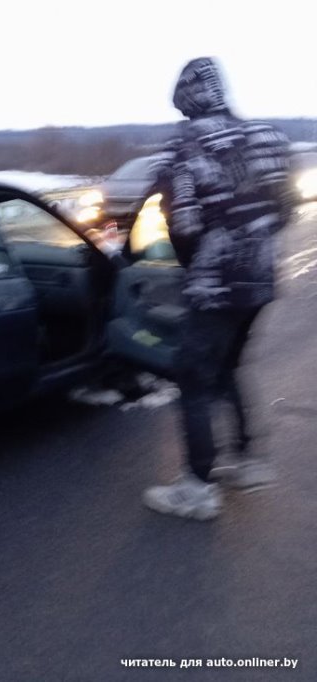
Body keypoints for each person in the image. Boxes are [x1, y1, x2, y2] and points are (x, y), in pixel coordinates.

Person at [142, 57, 294, 520]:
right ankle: (248, 461)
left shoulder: (183, 148)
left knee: (193, 375)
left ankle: (197, 487)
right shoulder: (268, 137)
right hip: (260, 279)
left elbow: (183, 226)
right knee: (228, 365)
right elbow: (285, 208)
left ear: (186, 99)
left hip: (214, 284)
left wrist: (197, 271)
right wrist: (257, 245)